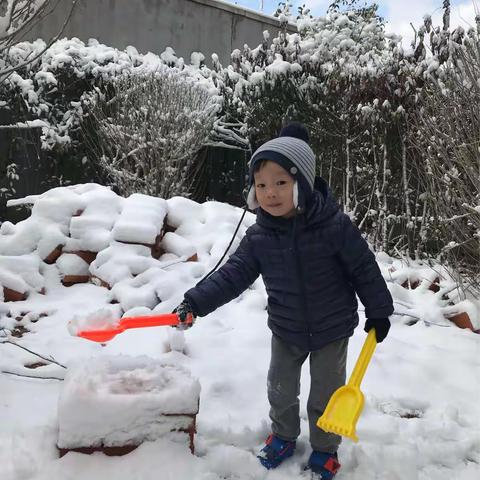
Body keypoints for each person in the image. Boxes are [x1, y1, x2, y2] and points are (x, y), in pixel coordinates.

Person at [174, 122, 393, 479]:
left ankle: (325, 449)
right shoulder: (260, 237)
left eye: (280, 183)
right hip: (287, 328)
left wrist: (379, 310)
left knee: (325, 395)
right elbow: (232, 275)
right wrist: (195, 302)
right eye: (261, 185)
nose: (269, 193)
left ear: (302, 186)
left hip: (331, 328)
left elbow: (363, 268)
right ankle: (284, 436)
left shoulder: (334, 226)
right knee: (280, 388)